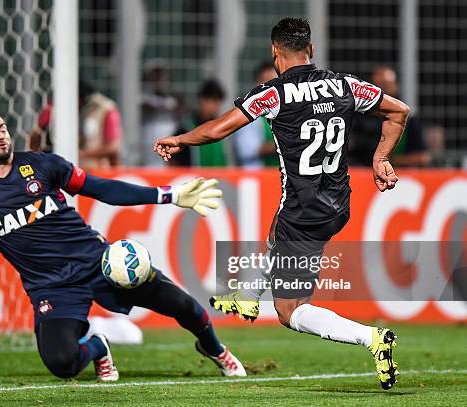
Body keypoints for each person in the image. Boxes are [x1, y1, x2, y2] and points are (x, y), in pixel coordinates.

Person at [0, 111, 246, 381]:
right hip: (52, 289)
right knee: (62, 363)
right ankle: (98, 346)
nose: (0, 134)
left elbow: (101, 188)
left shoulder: (43, 166)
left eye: (3, 127)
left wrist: (167, 195)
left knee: (187, 308)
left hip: (99, 264)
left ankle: (215, 350)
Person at [154, 17, 410, 390]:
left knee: (290, 311)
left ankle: (371, 339)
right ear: (312, 50)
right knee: (277, 230)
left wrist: (180, 139)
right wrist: (380, 158)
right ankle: (246, 296)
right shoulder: (345, 85)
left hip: (304, 208)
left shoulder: (274, 93)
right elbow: (399, 111)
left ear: (276, 53)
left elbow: (218, 128)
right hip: (338, 202)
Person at [349, 66, 430, 167]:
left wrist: (384, 161)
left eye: (385, 85)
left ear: (395, 86)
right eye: (377, 87)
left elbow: (422, 157)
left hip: (395, 174)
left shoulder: (408, 119)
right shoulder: (358, 116)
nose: (380, 92)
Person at [28, 82, 123, 168]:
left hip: (95, 170)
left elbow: (113, 148)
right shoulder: (53, 110)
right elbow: (34, 141)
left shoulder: (105, 110)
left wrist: (83, 154)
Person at [171, 79, 230, 167]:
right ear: (201, 100)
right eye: (212, 100)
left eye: (218, 101)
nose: (215, 106)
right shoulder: (186, 128)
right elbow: (173, 161)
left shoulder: (221, 127)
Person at [233, 62, 280, 168]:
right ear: (258, 84)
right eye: (267, 82)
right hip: (256, 179)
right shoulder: (248, 113)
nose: (272, 88)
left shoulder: (282, 112)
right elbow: (247, 150)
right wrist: (286, 142)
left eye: (275, 82)